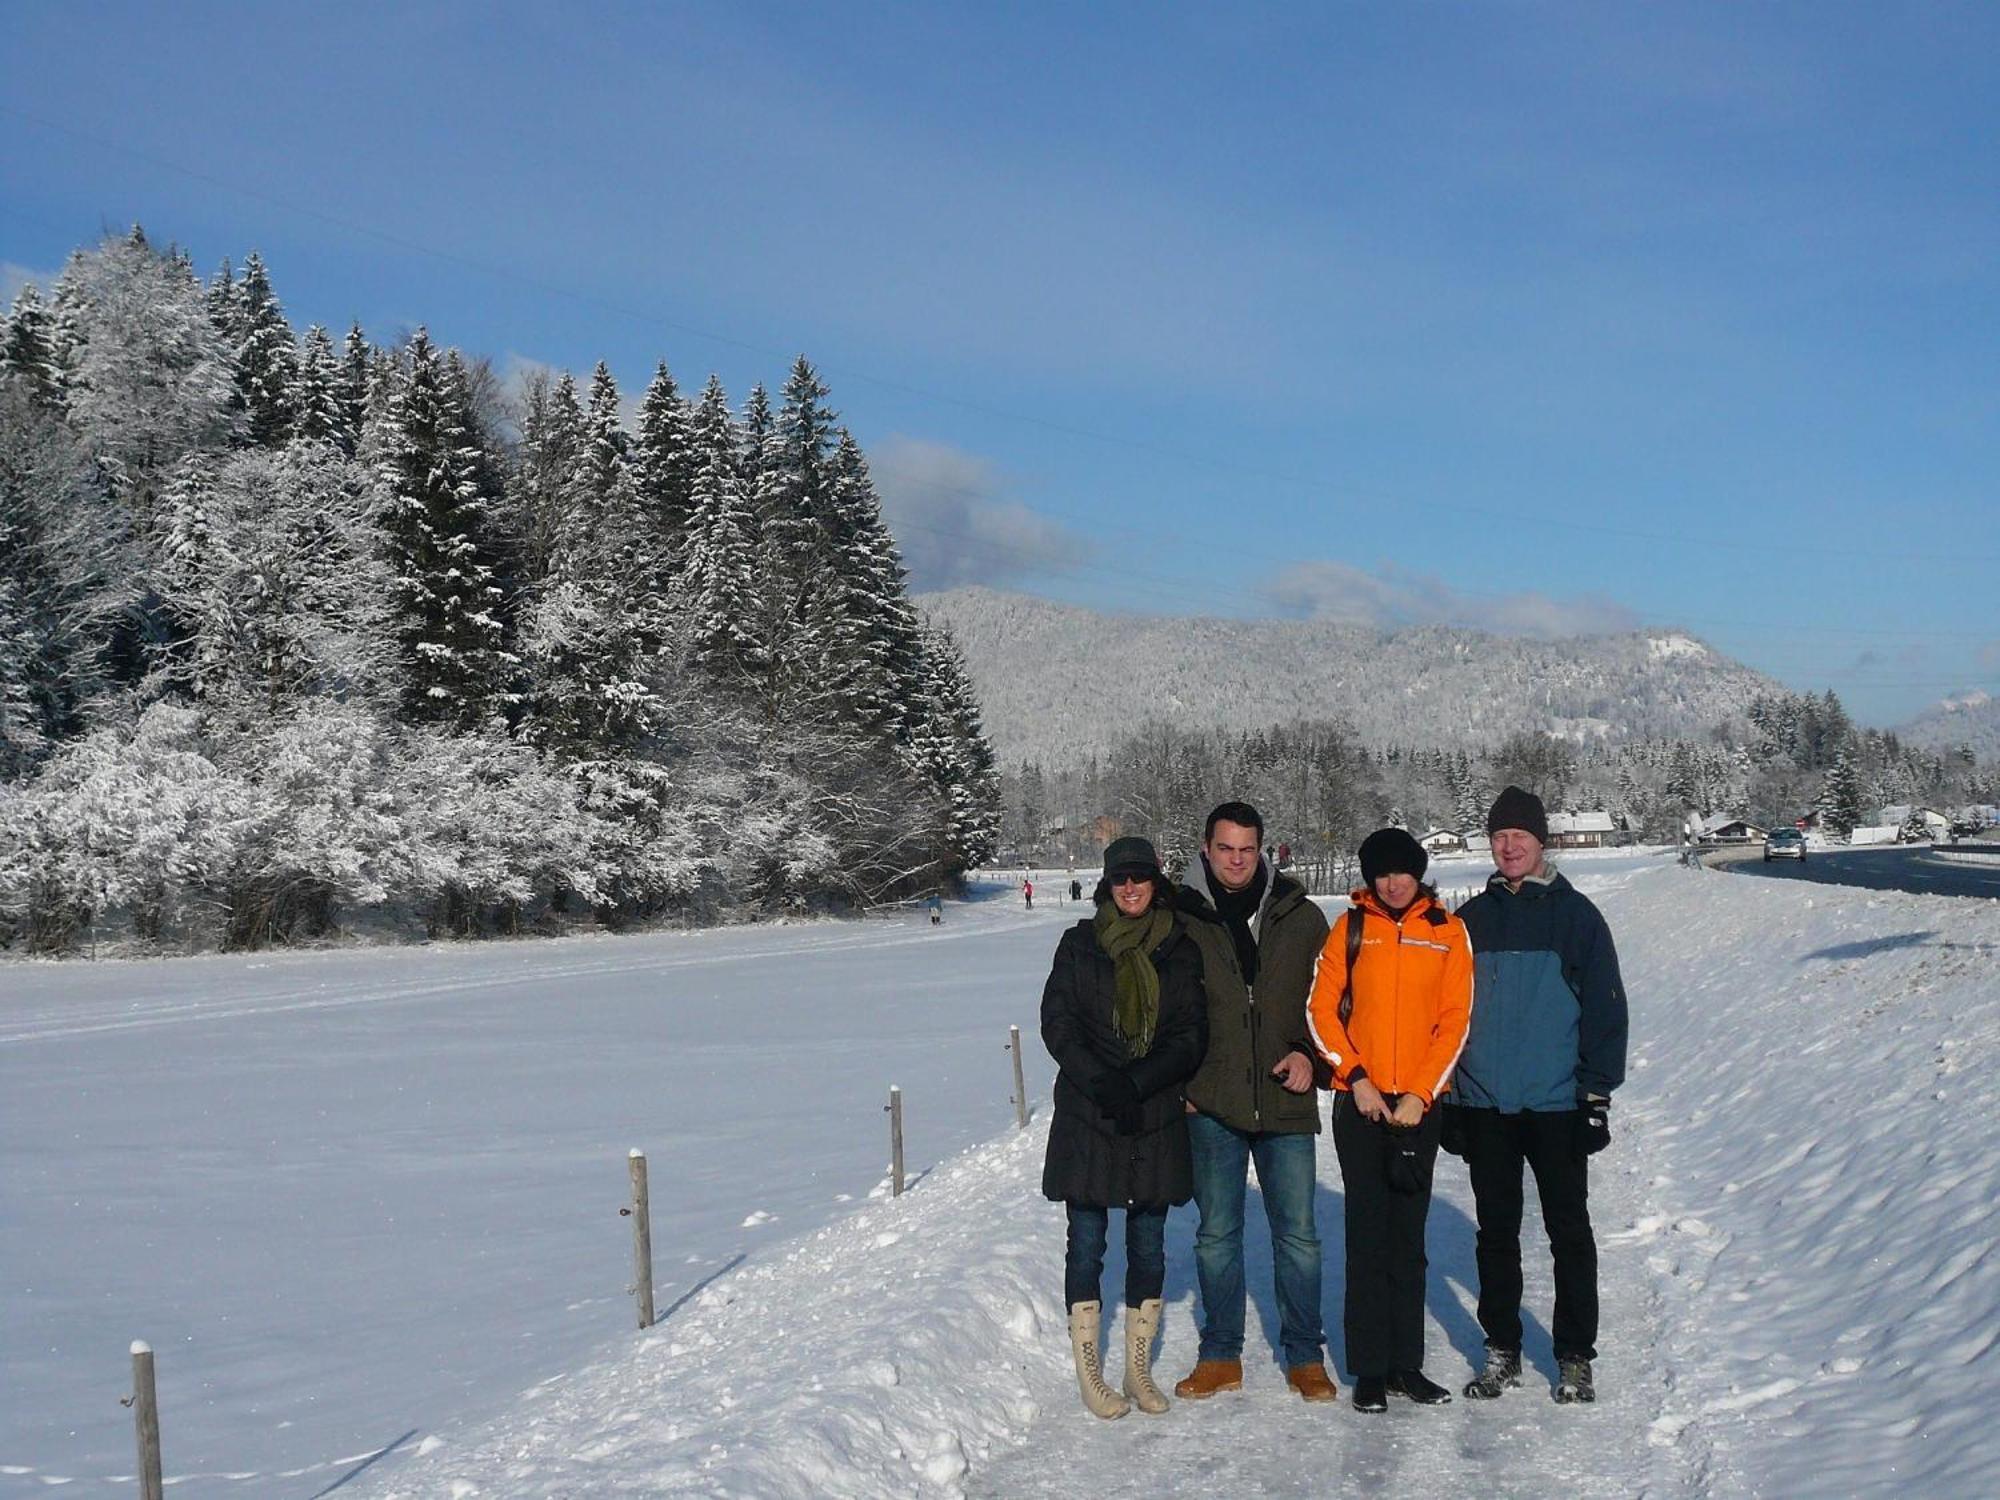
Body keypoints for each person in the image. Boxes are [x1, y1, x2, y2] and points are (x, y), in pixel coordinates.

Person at [1445, 786, 1629, 1405]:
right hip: (1485, 1103)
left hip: (1555, 1104)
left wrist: (1595, 1095)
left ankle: (1575, 1355)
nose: (1509, 846)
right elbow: (1448, 1013)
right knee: (1495, 1233)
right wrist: (1448, 1095)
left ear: (1540, 841)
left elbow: (1606, 1010)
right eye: (1499, 837)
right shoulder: (1470, 921)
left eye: (1520, 836)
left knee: (1568, 1231)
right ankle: (1502, 1349)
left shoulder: (1576, 917)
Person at [1172, 801, 1338, 1402]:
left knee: (1297, 1236)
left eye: (1247, 849)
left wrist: (1312, 1060)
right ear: (1205, 849)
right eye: (1225, 849)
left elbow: (1332, 1007)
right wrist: (1182, 1086)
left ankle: (1304, 1355)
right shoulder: (1180, 917)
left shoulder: (1303, 917)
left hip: (1285, 1097)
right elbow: (1160, 1015)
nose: (1237, 861)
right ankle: (1220, 1354)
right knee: (1217, 1235)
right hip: (1211, 1103)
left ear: (1262, 850)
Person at [1041, 836, 1210, 1419]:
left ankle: (1137, 1369)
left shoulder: (1178, 949)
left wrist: (1137, 1083)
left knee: (1147, 1244)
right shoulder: (1078, 946)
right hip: (1089, 1114)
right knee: (1086, 1243)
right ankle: (1090, 1372)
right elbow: (1058, 1024)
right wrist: (1103, 1081)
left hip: (1153, 1113)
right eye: (1121, 879)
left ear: (1156, 882)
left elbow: (1190, 1033)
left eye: (1141, 877)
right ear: (1106, 885)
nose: (1131, 888)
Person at [1306, 827, 1472, 1413]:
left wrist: (1422, 1094)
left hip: (1416, 1109)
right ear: (1370, 876)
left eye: (1403, 871)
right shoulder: (1350, 929)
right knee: (1367, 1235)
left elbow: (1456, 1020)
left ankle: (1408, 1365)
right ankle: (1370, 1369)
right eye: (1382, 872)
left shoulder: (1448, 931)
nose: (1393, 881)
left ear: (1419, 873)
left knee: (1409, 1238)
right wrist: (1355, 1077)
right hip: (1363, 1104)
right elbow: (1320, 1009)